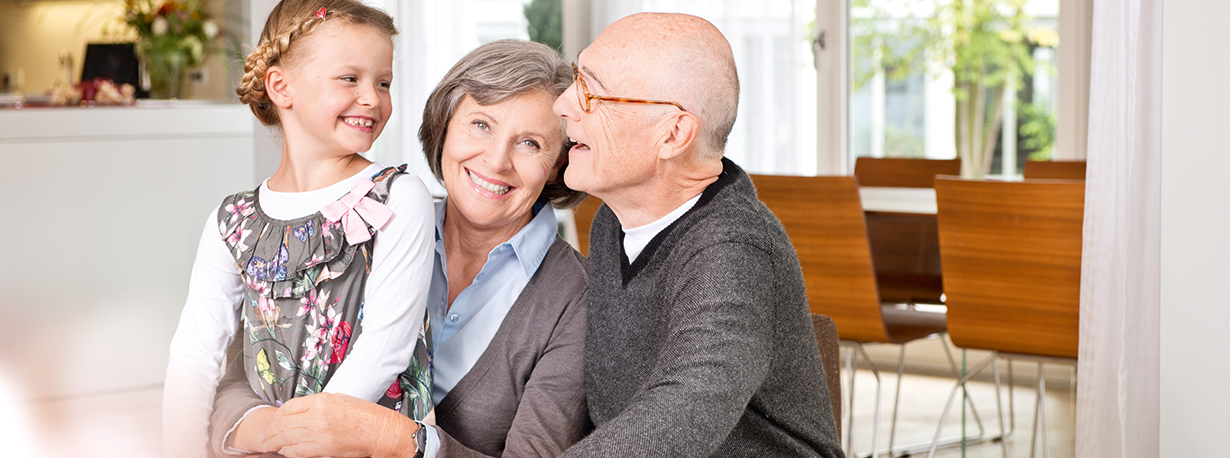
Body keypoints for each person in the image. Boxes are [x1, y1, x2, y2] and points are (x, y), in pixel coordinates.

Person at [208, 39, 592, 458]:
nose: (497, 161)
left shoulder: (579, 298)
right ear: (445, 126)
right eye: (481, 125)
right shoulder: (364, 223)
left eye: (530, 143)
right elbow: (240, 382)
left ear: (558, 164)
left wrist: (392, 438)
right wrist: (284, 434)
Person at [553, 13, 845, 457]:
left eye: (591, 92)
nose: (563, 104)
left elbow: (683, 410)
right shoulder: (612, 221)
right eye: (576, 78)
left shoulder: (735, 249)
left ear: (673, 135)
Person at [161, 0, 435, 456]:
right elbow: (195, 355)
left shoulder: (399, 197)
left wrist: (301, 439)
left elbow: (386, 347)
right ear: (281, 87)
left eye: (383, 82)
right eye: (350, 78)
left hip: (364, 443)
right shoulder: (232, 222)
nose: (372, 97)